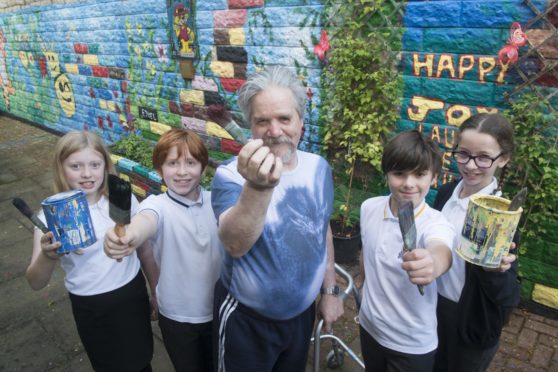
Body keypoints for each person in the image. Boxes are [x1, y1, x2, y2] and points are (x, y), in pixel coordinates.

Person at [211, 66, 343, 372]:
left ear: (300, 122)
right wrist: (258, 186)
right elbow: (235, 243)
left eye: (284, 118)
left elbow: (321, 232)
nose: (274, 130)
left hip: (301, 319)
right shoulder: (230, 176)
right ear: (251, 127)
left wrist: (330, 291)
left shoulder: (318, 168)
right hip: (247, 323)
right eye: (262, 121)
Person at [25, 131, 153, 372]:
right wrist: (47, 255)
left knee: (141, 360)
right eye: (75, 166)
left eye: (95, 164)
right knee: (108, 365)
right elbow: (35, 282)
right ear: (60, 168)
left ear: (105, 165)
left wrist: (156, 290)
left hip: (131, 295)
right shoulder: (50, 217)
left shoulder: (120, 200)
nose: (86, 173)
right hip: (90, 305)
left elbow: (145, 250)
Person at [104, 128, 222, 372]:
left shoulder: (218, 201)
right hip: (177, 316)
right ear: (159, 169)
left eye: (190, 162)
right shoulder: (157, 205)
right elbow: (145, 222)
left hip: (219, 313)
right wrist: (129, 236)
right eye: (172, 163)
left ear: (202, 166)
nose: (181, 172)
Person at [358, 130, 454, 372]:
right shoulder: (369, 208)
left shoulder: (435, 222)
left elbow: (441, 250)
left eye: (420, 174)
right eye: (399, 173)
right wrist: (363, 288)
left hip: (411, 343)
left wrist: (432, 263)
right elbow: (367, 253)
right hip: (369, 327)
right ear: (387, 174)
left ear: (433, 177)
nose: (409, 183)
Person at [432, 113, 520, 372]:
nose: (470, 165)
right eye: (463, 154)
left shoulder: (502, 216)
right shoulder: (447, 193)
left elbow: (508, 296)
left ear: (503, 159)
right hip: (432, 309)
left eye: (483, 157)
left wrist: (494, 270)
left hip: (468, 323)